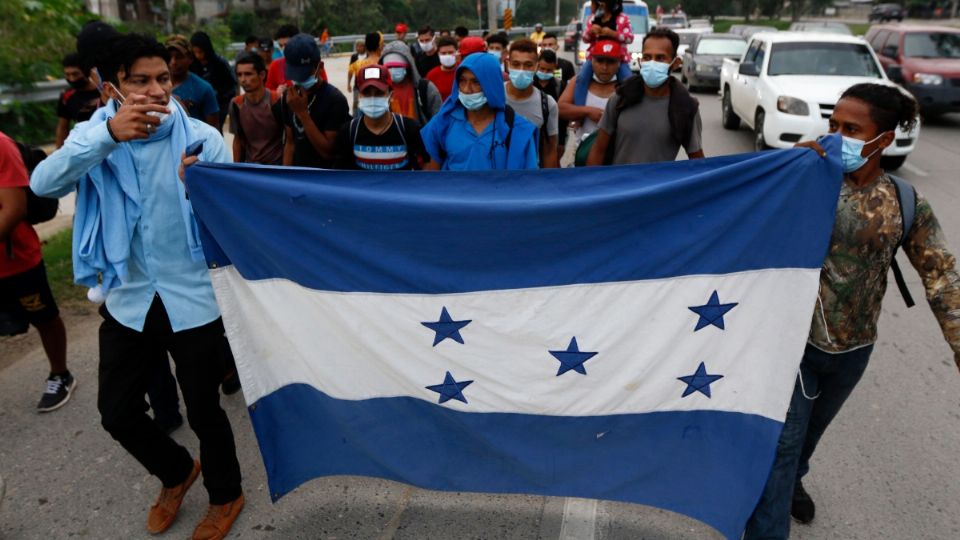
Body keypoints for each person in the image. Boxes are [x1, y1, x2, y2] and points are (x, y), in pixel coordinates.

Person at [30, 32, 245, 539]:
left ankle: (226, 493)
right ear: (111, 89)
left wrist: (208, 188)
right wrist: (108, 136)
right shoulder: (93, 138)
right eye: (140, 80)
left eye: (163, 78)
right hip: (129, 297)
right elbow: (42, 186)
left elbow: (237, 217)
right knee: (116, 412)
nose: (155, 90)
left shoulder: (202, 139)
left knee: (204, 408)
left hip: (193, 299)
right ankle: (175, 472)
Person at [744, 83, 960, 539]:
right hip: (795, 346)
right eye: (833, 125)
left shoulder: (905, 203)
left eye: (851, 129)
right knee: (781, 447)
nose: (836, 136)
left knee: (806, 441)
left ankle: (793, 479)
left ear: (881, 140)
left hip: (853, 350)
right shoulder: (804, 178)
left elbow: (941, 276)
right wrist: (790, 165)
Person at [1, 131, 73, 412]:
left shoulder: (1, 146)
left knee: (44, 317)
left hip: (16, 261)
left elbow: (14, 209)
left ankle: (60, 373)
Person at [587, 30, 704, 165]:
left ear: (675, 63)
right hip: (619, 184)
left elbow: (698, 162)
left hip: (658, 186)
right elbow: (598, 150)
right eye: (647, 57)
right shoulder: (621, 98)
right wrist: (592, 183)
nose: (652, 63)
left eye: (660, 58)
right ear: (640, 60)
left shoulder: (686, 108)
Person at [421, 52, 538, 171]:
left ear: (491, 85)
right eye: (462, 81)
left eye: (476, 82)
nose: (467, 89)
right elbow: (434, 179)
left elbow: (527, 182)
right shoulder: (443, 123)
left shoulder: (518, 129)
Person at [335, 65, 431, 171]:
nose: (372, 99)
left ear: (390, 95)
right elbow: (342, 174)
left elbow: (426, 162)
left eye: (379, 93)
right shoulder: (349, 131)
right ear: (359, 96)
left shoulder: (408, 129)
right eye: (366, 93)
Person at [281, 33, 350, 168]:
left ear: (320, 67)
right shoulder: (289, 97)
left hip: (324, 180)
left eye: (305, 75)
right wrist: (285, 178)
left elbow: (328, 152)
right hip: (298, 176)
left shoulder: (335, 100)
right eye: (296, 75)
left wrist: (303, 114)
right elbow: (290, 144)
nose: (300, 80)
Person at [558, 41, 619, 166]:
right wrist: (587, 111)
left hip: (616, 156)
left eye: (610, 62)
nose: (604, 67)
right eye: (600, 61)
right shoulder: (579, 83)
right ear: (591, 61)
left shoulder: (627, 87)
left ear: (619, 63)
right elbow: (560, 109)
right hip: (583, 153)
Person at [504, 38, 559, 168]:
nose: (521, 70)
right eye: (516, 64)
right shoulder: (494, 95)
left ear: (536, 66)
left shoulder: (547, 104)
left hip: (530, 177)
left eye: (528, 65)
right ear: (508, 64)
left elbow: (550, 149)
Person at [230, 52, 283, 165]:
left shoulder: (276, 101)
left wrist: (288, 173)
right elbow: (238, 140)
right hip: (252, 168)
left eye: (248, 74)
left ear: (262, 75)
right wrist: (237, 170)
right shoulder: (236, 104)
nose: (243, 79)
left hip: (277, 167)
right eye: (239, 75)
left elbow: (290, 141)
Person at [577, 0, 634, 103]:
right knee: (581, 78)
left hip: (618, 58)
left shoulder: (623, 18)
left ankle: (629, 110)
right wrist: (591, 32)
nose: (600, 4)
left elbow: (629, 38)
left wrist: (613, 34)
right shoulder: (592, 18)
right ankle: (579, 113)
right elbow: (585, 39)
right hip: (595, 58)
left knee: (628, 81)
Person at [380, 41, 442, 125]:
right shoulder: (380, 91)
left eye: (398, 66)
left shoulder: (424, 88)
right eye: (389, 67)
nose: (393, 70)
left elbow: (438, 119)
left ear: (408, 65)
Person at [165, 35, 219, 128]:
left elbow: (214, 129)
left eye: (179, 57)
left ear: (190, 58)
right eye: (169, 57)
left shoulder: (203, 88)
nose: (173, 62)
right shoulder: (155, 88)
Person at [189, 31, 236, 129]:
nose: (198, 56)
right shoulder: (192, 65)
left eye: (200, 52)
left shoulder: (220, 63)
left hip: (219, 105)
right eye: (195, 52)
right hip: (198, 105)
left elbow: (231, 85)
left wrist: (220, 95)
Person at [56, 53, 102, 148]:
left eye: (75, 74)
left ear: (86, 72)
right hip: (85, 145)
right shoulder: (66, 96)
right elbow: (63, 127)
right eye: (67, 75)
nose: (72, 79)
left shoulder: (103, 91)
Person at [348, 32, 384, 109]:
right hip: (380, 103)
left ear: (366, 47)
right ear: (379, 47)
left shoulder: (358, 65)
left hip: (365, 103)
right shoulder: (384, 64)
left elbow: (352, 73)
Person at [266, 24, 300, 92]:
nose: (284, 48)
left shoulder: (312, 63)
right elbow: (268, 94)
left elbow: (323, 91)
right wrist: (277, 93)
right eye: (281, 45)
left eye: (287, 44)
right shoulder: (275, 65)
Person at [426, 36, 460, 101]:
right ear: (438, 54)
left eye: (450, 52)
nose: (447, 55)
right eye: (443, 53)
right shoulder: (431, 75)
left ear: (457, 52)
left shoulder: (463, 70)